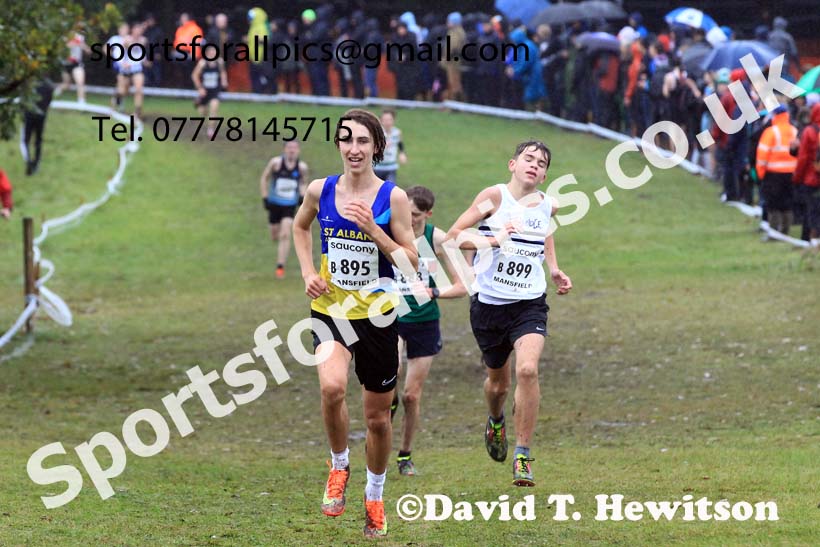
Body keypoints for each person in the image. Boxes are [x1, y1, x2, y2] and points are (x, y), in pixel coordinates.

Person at [291, 109, 417, 538]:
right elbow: (300, 227)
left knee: (378, 418)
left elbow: (413, 261)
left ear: (377, 147)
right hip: (331, 309)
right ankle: (339, 466)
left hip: (378, 317)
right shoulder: (320, 189)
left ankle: (375, 494)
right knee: (330, 389)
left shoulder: (393, 198)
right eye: (346, 140)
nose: (354, 148)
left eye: (363, 141)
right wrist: (308, 271)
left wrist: (375, 232)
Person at [446, 140, 572, 486]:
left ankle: (523, 454)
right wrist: (493, 239)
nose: (534, 164)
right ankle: (496, 419)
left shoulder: (547, 205)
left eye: (541, 162)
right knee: (498, 385)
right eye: (528, 159)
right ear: (512, 164)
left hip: (529, 303)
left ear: (545, 175)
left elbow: (545, 231)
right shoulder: (494, 197)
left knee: (528, 370)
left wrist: (554, 268)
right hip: (489, 306)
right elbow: (454, 236)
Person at [389, 186, 467, 476]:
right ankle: (388, 401)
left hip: (425, 320)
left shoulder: (436, 238)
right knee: (392, 371)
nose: (409, 220)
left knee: (412, 396)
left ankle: (404, 455)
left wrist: (435, 291)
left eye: (416, 215)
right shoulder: (393, 232)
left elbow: (463, 285)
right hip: (393, 317)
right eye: (406, 213)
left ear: (428, 214)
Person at [261, 141, 309, 279]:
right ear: (284, 150)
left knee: (285, 234)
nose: (292, 151)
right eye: (289, 148)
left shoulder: (301, 167)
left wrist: (302, 195)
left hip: (289, 205)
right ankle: (279, 251)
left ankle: (280, 266)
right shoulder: (275, 163)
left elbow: (304, 182)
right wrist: (265, 198)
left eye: (294, 148)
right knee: (275, 235)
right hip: (274, 204)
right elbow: (264, 178)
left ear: (298, 150)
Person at [757, 104, 798, 235]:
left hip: (773, 174)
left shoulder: (771, 132)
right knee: (787, 202)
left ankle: (774, 231)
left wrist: (761, 173)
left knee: (773, 203)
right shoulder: (794, 130)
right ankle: (786, 230)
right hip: (791, 173)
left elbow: (762, 154)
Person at [792, 102, 820, 245]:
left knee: (811, 211)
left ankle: (808, 239)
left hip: (811, 179)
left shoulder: (809, 131)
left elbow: (802, 158)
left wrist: (797, 177)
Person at [21, 80, 54, 176]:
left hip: (29, 115)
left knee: (25, 140)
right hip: (41, 115)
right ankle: (36, 163)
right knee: (38, 140)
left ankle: (28, 161)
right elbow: (48, 102)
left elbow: (24, 100)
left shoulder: (29, 85)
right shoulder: (49, 86)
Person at [115, 23, 147, 118]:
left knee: (138, 89)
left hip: (136, 68)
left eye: (140, 30)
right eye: (136, 30)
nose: (138, 32)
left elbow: (139, 45)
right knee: (123, 91)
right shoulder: (126, 39)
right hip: (125, 68)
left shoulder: (143, 40)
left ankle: (137, 112)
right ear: (132, 30)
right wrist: (122, 63)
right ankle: (118, 99)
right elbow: (124, 46)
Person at [191, 56, 228, 139]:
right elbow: (194, 75)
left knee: (214, 108)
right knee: (203, 112)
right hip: (205, 91)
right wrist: (200, 88)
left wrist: (224, 80)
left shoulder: (220, 62)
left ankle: (211, 130)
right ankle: (198, 103)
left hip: (215, 91)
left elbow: (222, 72)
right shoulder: (202, 63)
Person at [373, 110, 407, 183]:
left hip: (391, 167)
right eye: (385, 120)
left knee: (390, 189)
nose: (387, 122)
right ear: (381, 121)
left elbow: (400, 144)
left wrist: (402, 153)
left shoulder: (397, 132)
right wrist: (382, 146)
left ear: (393, 120)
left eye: (389, 120)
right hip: (377, 167)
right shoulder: (377, 133)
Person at [58, 28, 90, 103]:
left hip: (76, 63)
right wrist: (75, 43)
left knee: (80, 82)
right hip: (65, 63)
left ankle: (81, 102)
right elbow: (65, 47)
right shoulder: (63, 37)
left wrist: (87, 49)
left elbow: (83, 46)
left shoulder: (79, 36)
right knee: (66, 84)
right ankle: (56, 92)